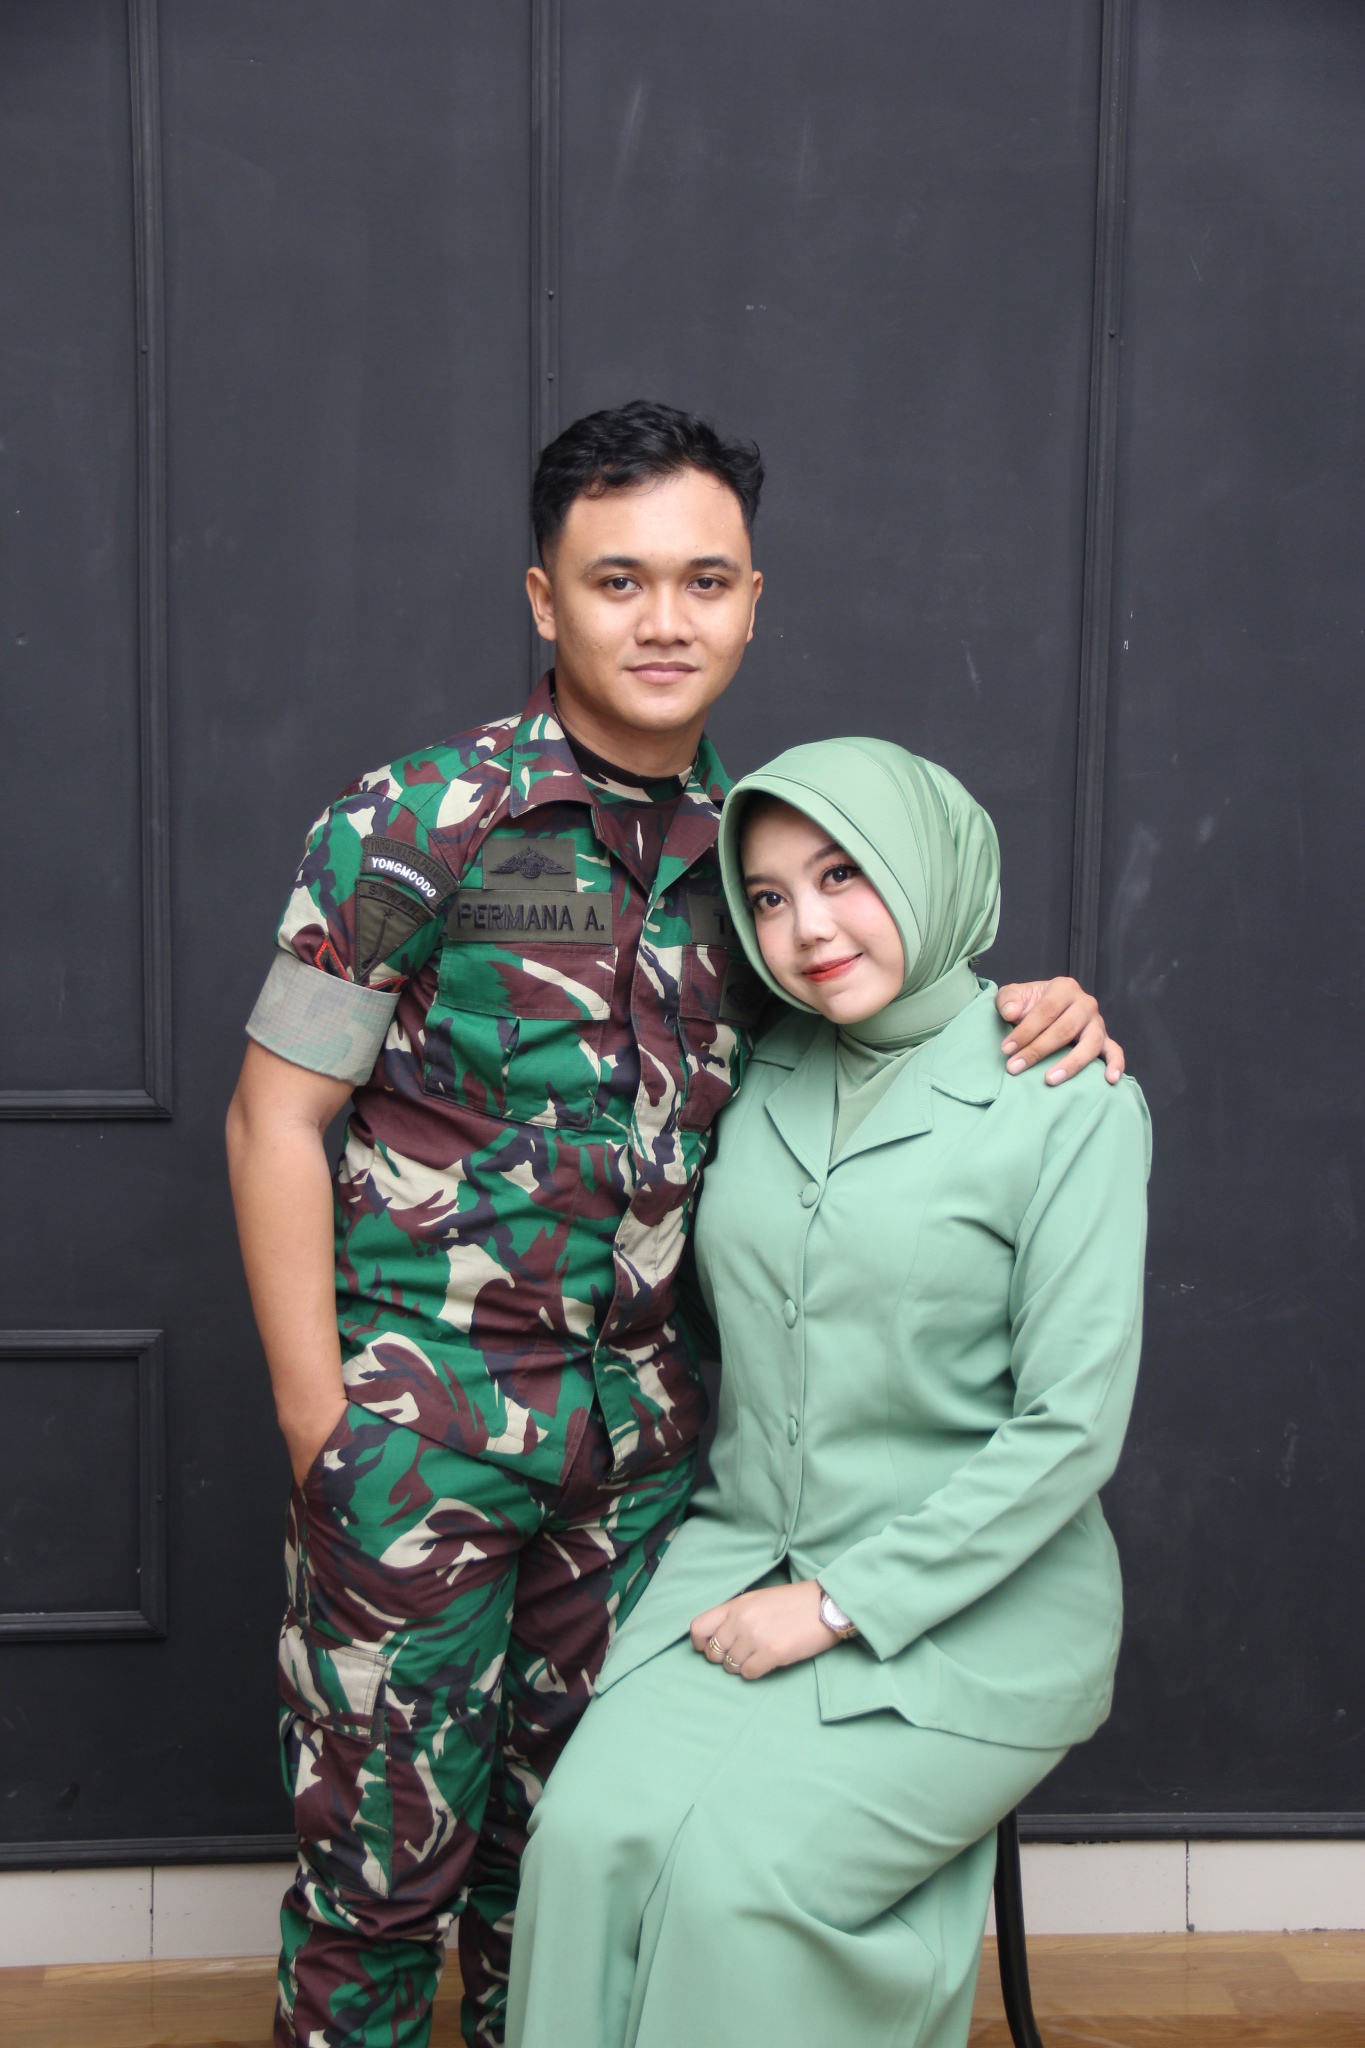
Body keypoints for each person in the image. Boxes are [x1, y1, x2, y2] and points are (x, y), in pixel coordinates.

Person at [225, 401, 1125, 2048]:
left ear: (753, 603)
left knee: (566, 1876)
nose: (663, 620)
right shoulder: (413, 821)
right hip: (418, 1441)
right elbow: (272, 1117)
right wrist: (317, 1425)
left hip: (647, 1470)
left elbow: (882, 1015)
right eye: (616, 580)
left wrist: (1030, 1005)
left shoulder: (766, 863)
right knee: (375, 1891)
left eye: (704, 581)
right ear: (543, 598)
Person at [505, 739, 1151, 2048]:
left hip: (977, 1611)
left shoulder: (1066, 1097)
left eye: (843, 874)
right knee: (579, 1840)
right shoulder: (749, 1068)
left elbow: (1070, 1428)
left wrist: (839, 1605)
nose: (806, 928)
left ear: (925, 866)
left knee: (735, 1888)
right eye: (770, 895)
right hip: (739, 1565)